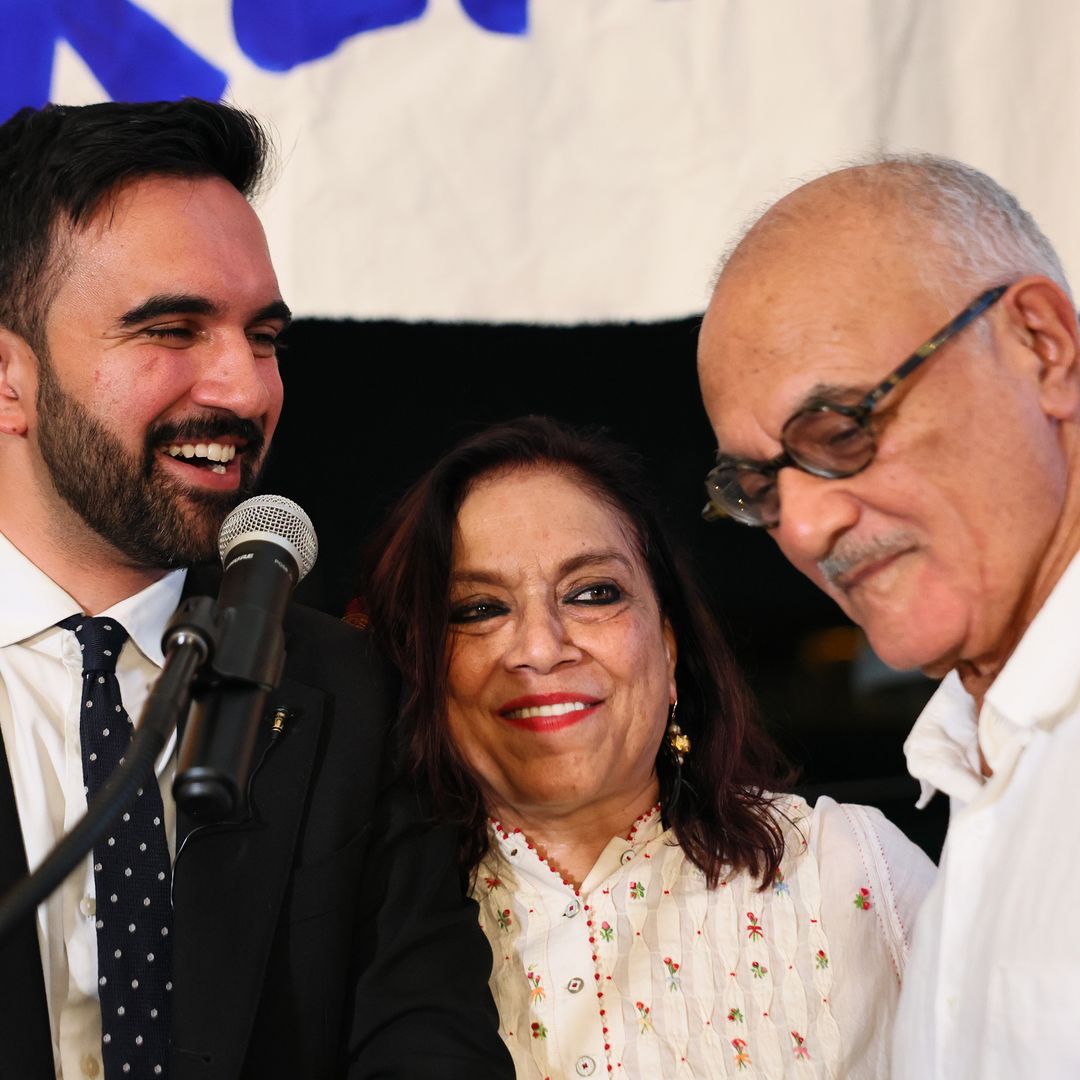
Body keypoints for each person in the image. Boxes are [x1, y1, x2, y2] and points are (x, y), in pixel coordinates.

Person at [0, 99, 511, 1080]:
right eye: (173, 329)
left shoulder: (358, 697)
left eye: (263, 335)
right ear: (9, 380)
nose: (244, 389)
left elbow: (427, 1041)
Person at [362, 415, 935, 1079]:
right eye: (479, 609)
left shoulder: (849, 869)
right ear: (424, 668)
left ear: (668, 646)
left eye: (592, 594)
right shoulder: (368, 928)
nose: (541, 648)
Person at [696, 153, 1080, 1079]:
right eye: (757, 487)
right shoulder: (977, 770)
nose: (806, 524)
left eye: (841, 432)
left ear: (1044, 347)